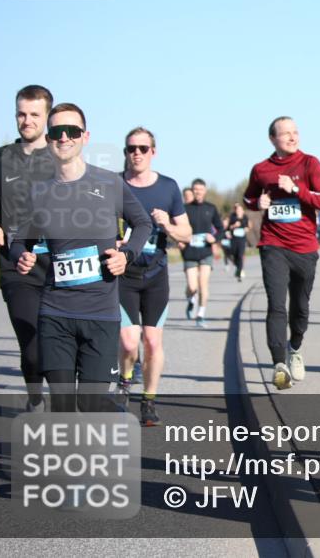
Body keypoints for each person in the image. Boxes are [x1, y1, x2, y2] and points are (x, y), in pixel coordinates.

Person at [11, 103, 152, 413]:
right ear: (48, 139)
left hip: (100, 315)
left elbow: (143, 224)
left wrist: (126, 256)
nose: (64, 138)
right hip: (55, 314)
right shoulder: (40, 192)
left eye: (71, 131)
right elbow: (20, 239)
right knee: (61, 406)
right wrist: (21, 255)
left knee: (90, 404)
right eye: (57, 132)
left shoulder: (109, 183)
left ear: (85, 137)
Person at [0, 85, 56, 411]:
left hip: (58, 261)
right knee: (32, 343)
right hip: (16, 262)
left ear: (47, 117)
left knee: (60, 341)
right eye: (21, 114)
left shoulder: (62, 158)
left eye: (34, 114)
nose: (27, 120)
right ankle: (35, 394)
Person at [243, 116, 320, 389]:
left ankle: (295, 347)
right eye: (286, 134)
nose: (293, 138)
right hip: (273, 245)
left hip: (305, 247)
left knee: (300, 308)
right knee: (276, 304)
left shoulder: (310, 163)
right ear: (273, 139)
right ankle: (279, 364)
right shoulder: (261, 169)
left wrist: (295, 189)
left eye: (295, 132)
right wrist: (258, 202)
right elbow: (248, 199)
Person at [116, 127, 191, 426]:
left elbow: (185, 233)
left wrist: (167, 225)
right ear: (125, 152)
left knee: (152, 341)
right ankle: (124, 383)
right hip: (123, 275)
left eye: (143, 148)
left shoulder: (168, 187)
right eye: (131, 148)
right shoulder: (113, 184)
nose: (137, 153)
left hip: (156, 274)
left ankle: (149, 400)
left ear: (153, 152)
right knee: (129, 341)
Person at [180, 178, 222, 328]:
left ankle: (201, 314)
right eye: (195, 189)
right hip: (189, 252)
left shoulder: (211, 208)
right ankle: (191, 300)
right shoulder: (184, 208)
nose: (198, 192)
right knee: (192, 287)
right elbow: (176, 226)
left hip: (206, 252)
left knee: (203, 284)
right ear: (192, 191)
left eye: (200, 189)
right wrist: (179, 240)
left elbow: (220, 228)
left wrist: (214, 237)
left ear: (205, 191)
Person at [225, 202, 251, 281]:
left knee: (240, 255)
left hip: (242, 239)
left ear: (242, 210)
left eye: (240, 209)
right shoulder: (232, 217)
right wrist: (233, 226)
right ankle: (238, 267)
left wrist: (247, 229)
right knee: (233, 254)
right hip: (234, 238)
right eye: (237, 209)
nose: (238, 211)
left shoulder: (245, 217)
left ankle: (239, 272)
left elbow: (248, 226)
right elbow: (228, 227)